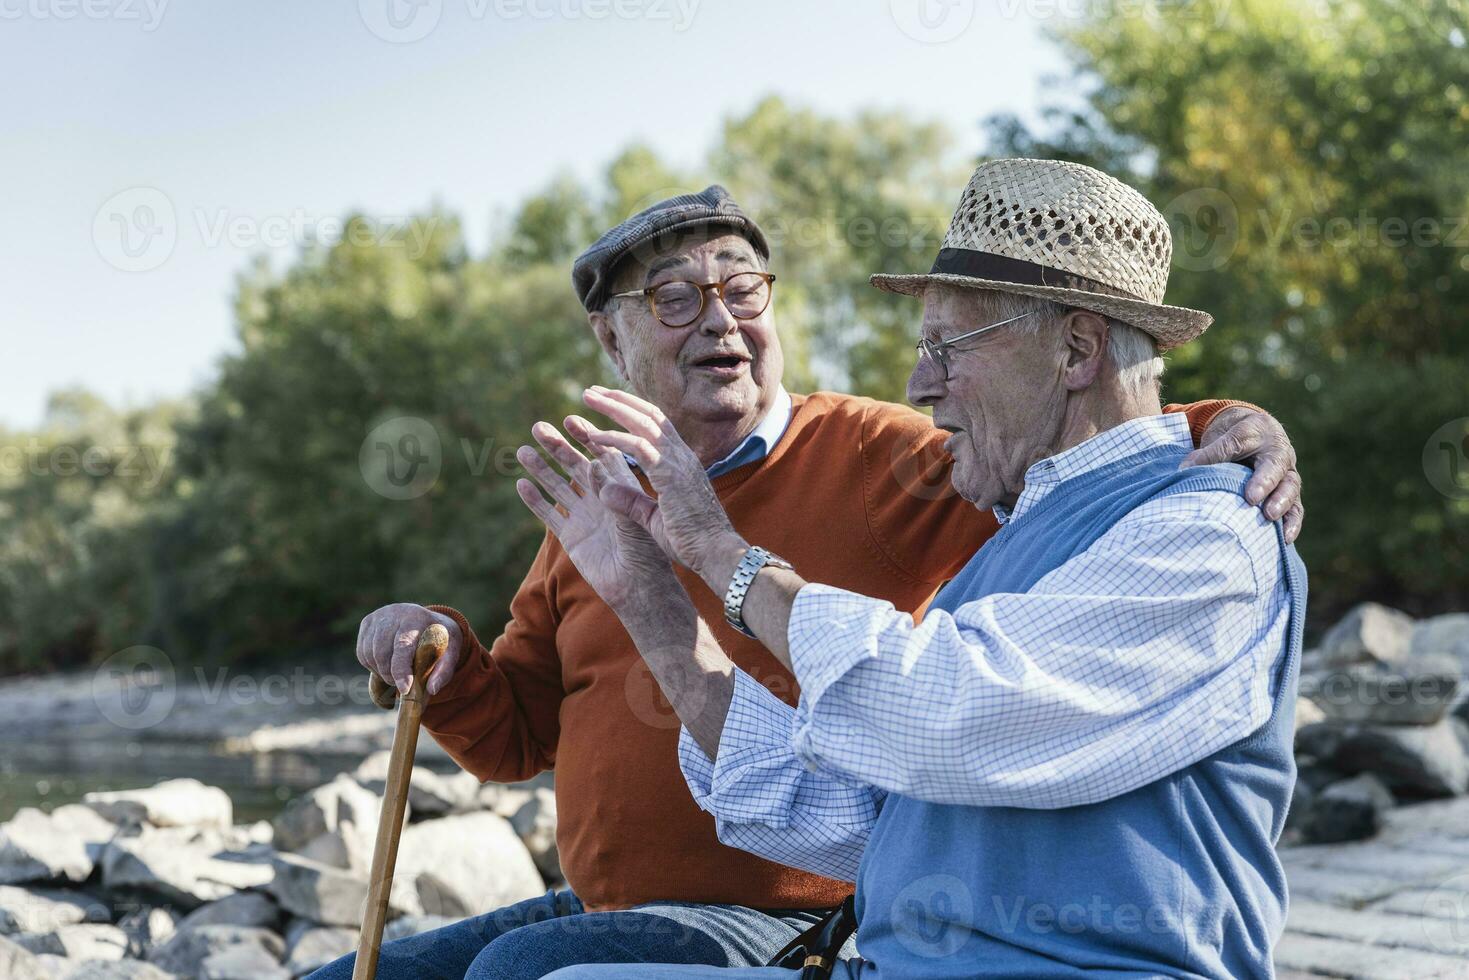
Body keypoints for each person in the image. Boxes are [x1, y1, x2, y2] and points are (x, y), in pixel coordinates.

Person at [315, 178, 1303, 979]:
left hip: (783, 916)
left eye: (741, 289)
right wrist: (443, 647)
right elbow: (523, 732)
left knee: (523, 973)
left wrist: (1214, 424)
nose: (718, 320)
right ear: (609, 341)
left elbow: (1102, 457)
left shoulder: (920, 462)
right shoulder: (596, 507)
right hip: (630, 900)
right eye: (671, 298)